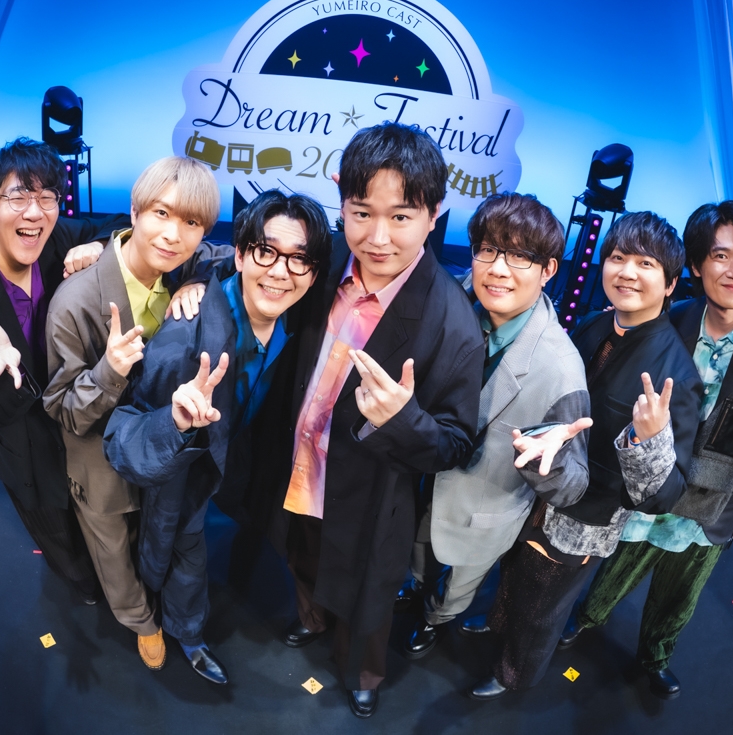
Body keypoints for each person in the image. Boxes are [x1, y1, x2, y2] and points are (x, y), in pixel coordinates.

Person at [563, 200, 733, 699]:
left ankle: (654, 657)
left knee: (682, 589)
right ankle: (585, 619)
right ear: (696, 266)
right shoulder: (674, 319)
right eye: (721, 256)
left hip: (719, 495)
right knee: (621, 561)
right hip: (661, 476)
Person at [276, 122, 484, 719]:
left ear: (434, 215)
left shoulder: (452, 321)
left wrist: (403, 419)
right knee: (303, 552)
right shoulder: (323, 261)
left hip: (373, 488)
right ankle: (312, 617)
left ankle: (363, 672)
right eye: (362, 213)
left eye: (401, 217)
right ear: (342, 201)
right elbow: (254, 262)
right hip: (302, 459)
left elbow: (454, 444)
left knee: (368, 589)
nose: (378, 237)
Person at [463, 210, 704, 700]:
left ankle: (513, 674)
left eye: (645, 264)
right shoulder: (596, 323)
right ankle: (496, 620)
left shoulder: (676, 375)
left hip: (585, 518)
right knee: (514, 569)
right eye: (617, 258)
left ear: (670, 284)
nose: (627, 272)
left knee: (543, 606)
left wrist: (649, 440)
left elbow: (664, 496)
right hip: (538, 485)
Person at [103, 189, 332, 687]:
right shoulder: (183, 342)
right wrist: (175, 422)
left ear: (314, 272)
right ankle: (185, 635)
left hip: (239, 451)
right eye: (266, 252)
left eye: (299, 259)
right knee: (181, 549)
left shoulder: (298, 314)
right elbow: (121, 440)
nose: (281, 272)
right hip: (182, 466)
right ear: (244, 254)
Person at [42, 155, 230, 673]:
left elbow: (235, 257)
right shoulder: (74, 302)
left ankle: (164, 610)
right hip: (99, 457)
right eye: (161, 214)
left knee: (158, 533)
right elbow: (63, 410)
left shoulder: (184, 264)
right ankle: (141, 623)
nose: (173, 234)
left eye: (191, 222)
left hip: (159, 439)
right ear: (134, 212)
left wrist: (197, 279)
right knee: (113, 548)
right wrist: (109, 370)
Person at [400, 192, 591, 661]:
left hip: (483, 504)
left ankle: (437, 619)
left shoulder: (561, 368)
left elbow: (574, 484)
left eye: (520, 256)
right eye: (488, 249)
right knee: (417, 551)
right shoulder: (455, 299)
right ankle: (415, 586)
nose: (498, 269)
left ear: (548, 270)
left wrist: (546, 464)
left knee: (459, 582)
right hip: (420, 477)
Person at [0, 138, 124, 604]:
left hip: (78, 419)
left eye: (47, 197)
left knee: (102, 515)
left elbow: (120, 224)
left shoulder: (57, 239)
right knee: (57, 530)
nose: (35, 212)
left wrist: (97, 244)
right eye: (18, 198)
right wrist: (8, 372)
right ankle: (85, 589)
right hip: (25, 443)